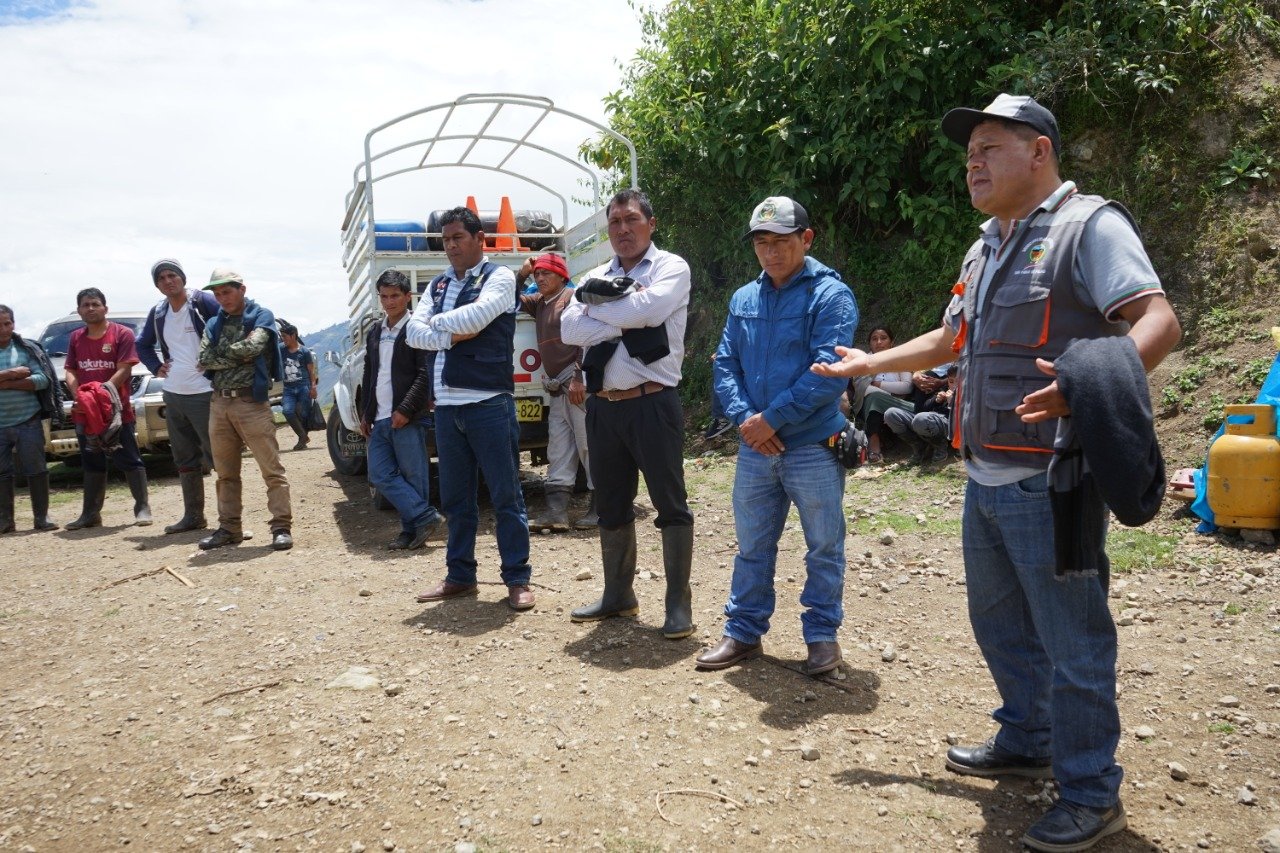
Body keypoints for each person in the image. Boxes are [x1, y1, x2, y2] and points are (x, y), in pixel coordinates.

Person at [812, 93, 1181, 852]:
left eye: (990, 147)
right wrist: (873, 362)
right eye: (969, 150)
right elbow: (953, 335)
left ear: (1039, 151)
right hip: (982, 475)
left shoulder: (1089, 227)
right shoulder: (985, 245)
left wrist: (1093, 378)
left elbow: (1158, 320)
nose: (972, 161)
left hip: (1054, 481)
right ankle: (1028, 736)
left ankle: (1089, 791)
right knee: (999, 624)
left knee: (1074, 641)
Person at [695, 196, 857, 675]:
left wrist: (771, 420)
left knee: (824, 545)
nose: (770, 252)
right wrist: (748, 419)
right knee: (752, 545)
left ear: (806, 239)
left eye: (781, 241)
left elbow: (829, 371)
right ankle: (743, 633)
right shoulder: (744, 298)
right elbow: (724, 363)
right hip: (755, 447)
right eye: (762, 243)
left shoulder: (831, 296)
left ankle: (822, 638)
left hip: (811, 446)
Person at [560, 188, 695, 640]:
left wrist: (604, 311)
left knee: (670, 505)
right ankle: (618, 594)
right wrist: (629, 313)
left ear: (650, 224)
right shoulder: (596, 273)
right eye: (615, 222)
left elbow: (652, 308)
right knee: (612, 505)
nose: (622, 229)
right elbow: (569, 327)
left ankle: (678, 605)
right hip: (604, 407)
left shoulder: (671, 267)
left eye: (631, 219)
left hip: (653, 402)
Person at [405, 207, 534, 611]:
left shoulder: (499, 277)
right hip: (446, 408)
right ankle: (460, 575)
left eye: (458, 237)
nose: (450, 246)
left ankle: (517, 578)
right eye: (445, 240)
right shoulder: (439, 284)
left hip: (489, 404)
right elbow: (413, 332)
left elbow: (479, 316)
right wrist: (451, 336)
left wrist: (435, 327)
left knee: (506, 496)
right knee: (457, 500)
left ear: (480, 239)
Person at [197, 269, 293, 551]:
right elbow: (203, 357)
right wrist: (238, 354)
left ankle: (281, 527)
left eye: (226, 291)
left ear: (242, 289)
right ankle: (229, 528)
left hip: (252, 402)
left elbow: (256, 345)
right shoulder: (213, 323)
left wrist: (220, 355)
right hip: (219, 403)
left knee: (271, 470)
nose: (221, 298)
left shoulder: (261, 315)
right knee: (225, 472)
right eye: (217, 293)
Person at [360, 269, 444, 550]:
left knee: (414, 475)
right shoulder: (375, 331)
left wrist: (406, 409)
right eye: (384, 296)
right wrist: (366, 413)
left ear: (408, 297)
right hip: (379, 417)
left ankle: (411, 532)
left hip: (407, 417)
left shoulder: (416, 330)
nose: (389, 302)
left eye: (395, 295)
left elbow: (424, 374)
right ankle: (424, 516)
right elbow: (370, 373)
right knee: (380, 475)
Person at [136, 258, 220, 534]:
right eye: (161, 279)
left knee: (219, 456)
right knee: (184, 458)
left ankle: (229, 520)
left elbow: (229, 326)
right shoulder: (159, 312)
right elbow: (142, 343)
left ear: (182, 278)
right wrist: (154, 366)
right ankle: (193, 516)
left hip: (205, 392)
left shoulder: (202, 302)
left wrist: (217, 361)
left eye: (172, 275)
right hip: (173, 392)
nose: (168, 281)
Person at [516, 252, 595, 532]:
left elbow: (587, 339)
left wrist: (578, 377)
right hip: (555, 386)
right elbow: (508, 299)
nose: (540, 279)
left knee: (588, 445)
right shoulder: (539, 303)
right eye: (537, 275)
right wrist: (523, 273)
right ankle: (556, 513)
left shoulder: (573, 299)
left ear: (562, 275)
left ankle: (600, 510)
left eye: (545, 273)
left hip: (574, 384)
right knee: (559, 448)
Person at [63, 287, 151, 529]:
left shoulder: (122, 334)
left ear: (105, 308)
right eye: (85, 305)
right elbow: (70, 369)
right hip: (85, 413)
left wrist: (104, 393)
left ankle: (142, 508)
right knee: (92, 461)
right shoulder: (75, 338)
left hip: (116, 412)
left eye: (95, 304)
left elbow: (125, 368)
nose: (90, 308)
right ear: (79, 310)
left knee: (129, 458)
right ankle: (90, 514)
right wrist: (78, 395)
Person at [0, 305, 60, 533]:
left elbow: (42, 380)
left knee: (36, 469)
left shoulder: (26, 348)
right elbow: (27, 375)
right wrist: (12, 373)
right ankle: (5, 521)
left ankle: (42, 518)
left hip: (28, 421)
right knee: (2, 473)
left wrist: (6, 384)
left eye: (8, 323)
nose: (4, 329)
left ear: (14, 324)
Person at [845, 325, 913, 463]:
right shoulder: (863, 362)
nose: (879, 342)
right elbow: (860, 389)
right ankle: (875, 441)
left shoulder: (900, 358)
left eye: (883, 338)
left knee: (873, 395)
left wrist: (878, 385)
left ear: (891, 342)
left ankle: (874, 445)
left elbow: (907, 387)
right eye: (874, 339)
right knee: (872, 398)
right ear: (869, 344)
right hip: (866, 406)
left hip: (898, 404)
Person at [883, 363, 956, 465]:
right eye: (951, 381)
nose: (954, 385)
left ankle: (940, 446)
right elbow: (922, 408)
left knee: (920, 419)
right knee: (891, 414)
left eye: (958, 382)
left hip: (947, 424)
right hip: (927, 420)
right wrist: (936, 400)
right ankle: (919, 446)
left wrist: (952, 402)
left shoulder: (970, 393)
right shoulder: (942, 387)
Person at [278, 321, 317, 451]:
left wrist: (313, 388)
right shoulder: (281, 349)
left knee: (304, 414)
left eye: (285, 336)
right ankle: (302, 436)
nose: (283, 339)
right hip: (288, 388)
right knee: (287, 411)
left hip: (303, 387)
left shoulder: (305, 352)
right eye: (282, 336)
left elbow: (311, 371)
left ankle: (302, 439)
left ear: (293, 335)